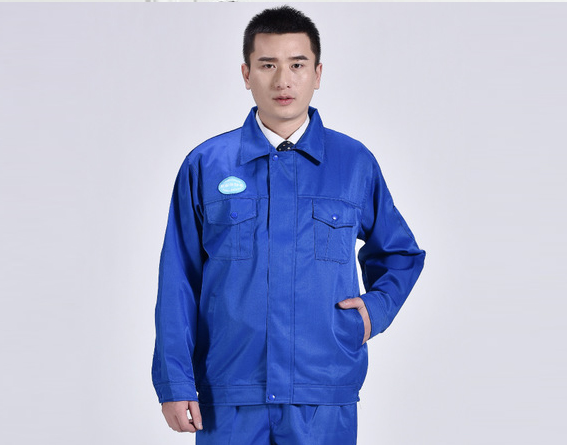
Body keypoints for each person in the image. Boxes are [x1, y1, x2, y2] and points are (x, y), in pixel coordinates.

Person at [151, 6, 425, 444]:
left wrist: (372, 312)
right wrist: (175, 382)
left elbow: (400, 254)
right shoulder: (206, 165)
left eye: (297, 65)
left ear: (317, 74)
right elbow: (178, 279)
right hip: (230, 395)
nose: (283, 80)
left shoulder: (353, 163)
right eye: (268, 65)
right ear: (246, 74)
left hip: (323, 393)